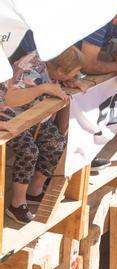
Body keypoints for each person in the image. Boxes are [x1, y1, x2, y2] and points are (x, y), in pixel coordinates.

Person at [1, 46, 87, 224]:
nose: (78, 74)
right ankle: (17, 204)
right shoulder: (31, 70)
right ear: (61, 70)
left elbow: (57, 78)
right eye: (75, 72)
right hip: (9, 118)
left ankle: (35, 191)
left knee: (56, 142)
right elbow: (11, 99)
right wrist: (44, 88)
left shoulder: (52, 62)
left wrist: (70, 81)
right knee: (28, 151)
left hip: (34, 117)